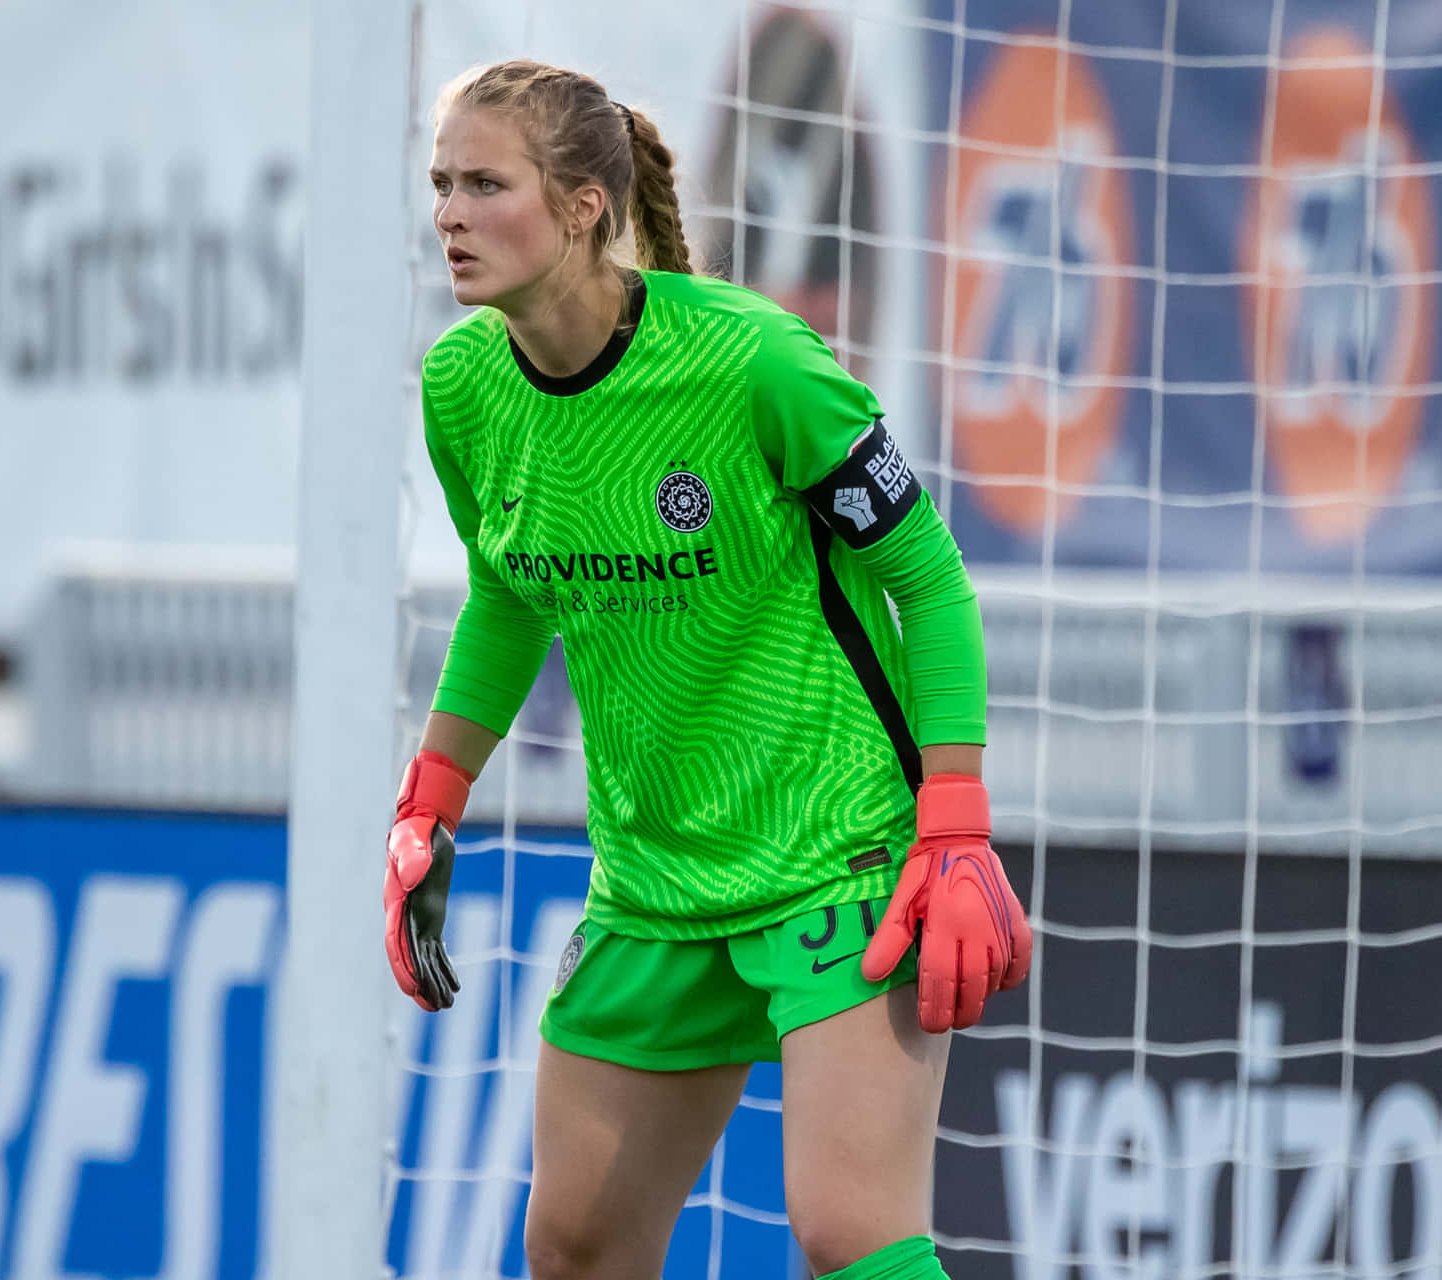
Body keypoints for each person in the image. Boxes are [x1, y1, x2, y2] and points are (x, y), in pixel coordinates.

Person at [382, 58, 1033, 1280]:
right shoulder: (463, 387)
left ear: (583, 205)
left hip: (836, 855)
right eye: (440, 184)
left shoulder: (752, 364)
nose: (450, 216)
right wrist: (432, 797)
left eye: (484, 183)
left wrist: (953, 821)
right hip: (654, 884)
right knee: (574, 1246)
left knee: (850, 1235)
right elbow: (510, 596)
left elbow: (930, 576)